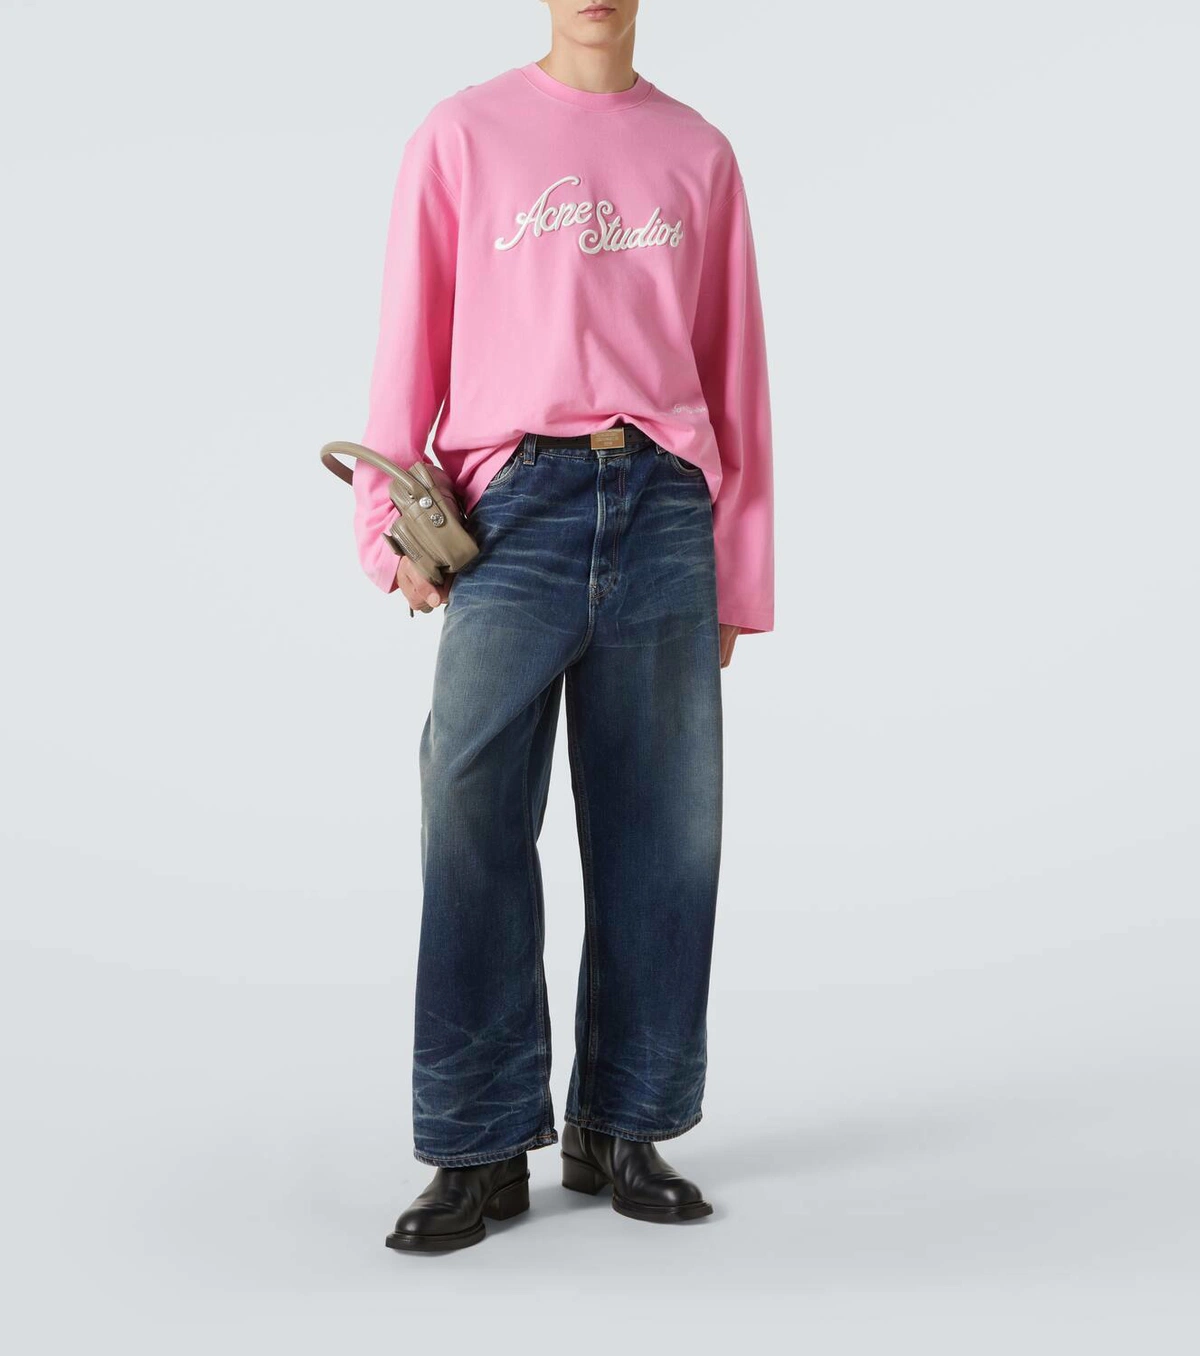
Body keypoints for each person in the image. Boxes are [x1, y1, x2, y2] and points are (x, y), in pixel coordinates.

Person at [349, 0, 774, 1252]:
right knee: (469, 807)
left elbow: (735, 368)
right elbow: (408, 338)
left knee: (663, 827)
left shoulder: (699, 153)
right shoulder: (463, 135)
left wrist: (740, 573)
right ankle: (477, 1145)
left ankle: (623, 1125)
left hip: (664, 508)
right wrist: (384, 520)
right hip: (510, 509)